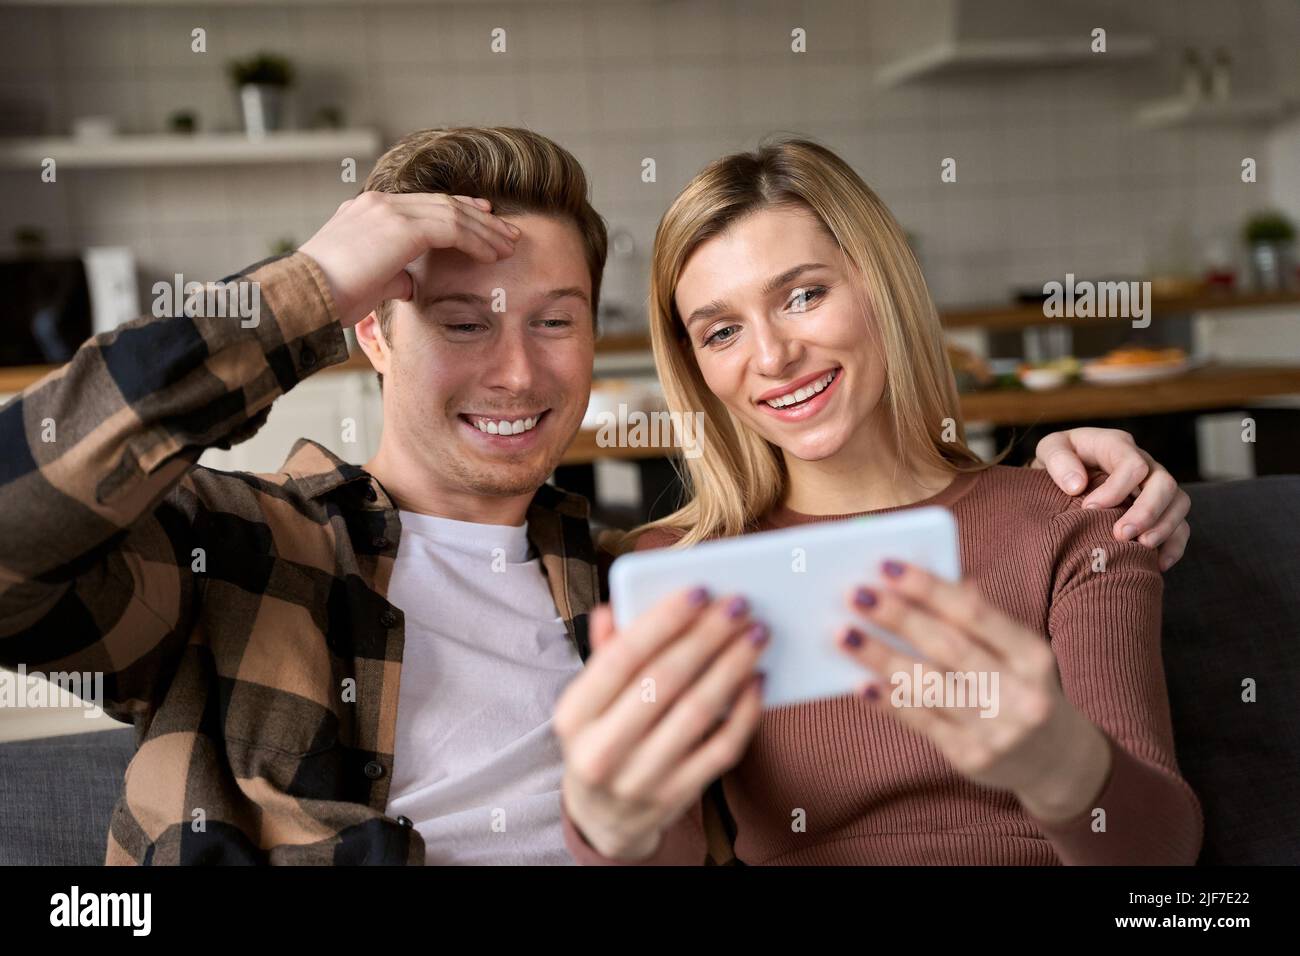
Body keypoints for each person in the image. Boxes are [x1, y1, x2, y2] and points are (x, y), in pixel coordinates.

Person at [0, 128, 1188, 865]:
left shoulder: (638, 576)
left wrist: (1068, 475)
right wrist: (299, 290)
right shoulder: (238, 551)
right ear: (370, 331)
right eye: (461, 323)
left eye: (555, 322)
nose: (516, 371)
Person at [557, 138, 1201, 866]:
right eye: (723, 331)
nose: (771, 358)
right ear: (697, 367)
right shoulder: (683, 573)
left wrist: (1059, 766)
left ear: (883, 286)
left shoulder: (1072, 517)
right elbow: (663, 854)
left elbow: (1163, 864)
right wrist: (609, 825)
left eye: (804, 295)